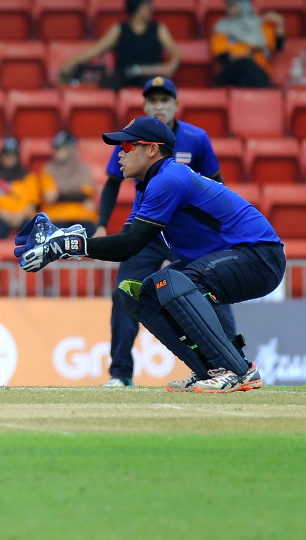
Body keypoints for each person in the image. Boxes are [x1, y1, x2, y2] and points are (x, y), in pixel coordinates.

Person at [15, 116, 285, 393]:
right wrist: (68, 246)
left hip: (259, 257)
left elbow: (130, 244)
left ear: (152, 150)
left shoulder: (169, 179)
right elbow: (125, 245)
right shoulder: (148, 186)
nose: (119, 153)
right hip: (237, 257)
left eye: (128, 147)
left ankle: (237, 369)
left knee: (174, 281)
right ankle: (209, 370)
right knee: (141, 295)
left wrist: (68, 245)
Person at [97, 76, 230, 387]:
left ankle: (233, 363)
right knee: (125, 293)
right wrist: (102, 222)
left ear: (176, 104)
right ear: (145, 105)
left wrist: (216, 229)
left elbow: (217, 185)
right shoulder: (135, 137)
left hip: (187, 233)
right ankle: (120, 374)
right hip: (147, 231)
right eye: (152, 100)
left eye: (164, 100)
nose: (158, 105)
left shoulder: (197, 139)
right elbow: (112, 182)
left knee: (213, 292)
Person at [59, 0, 180, 91]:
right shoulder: (120, 29)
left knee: (157, 88)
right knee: (106, 86)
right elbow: (96, 49)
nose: (151, 9)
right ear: (137, 8)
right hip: (125, 74)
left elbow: (175, 52)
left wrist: (171, 65)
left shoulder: (158, 28)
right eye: (147, 6)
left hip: (150, 73)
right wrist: (72, 62)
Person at [211, 0, 285, 88]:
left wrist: (280, 24)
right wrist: (247, 55)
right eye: (228, 5)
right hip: (231, 69)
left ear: (244, 6)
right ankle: (267, 93)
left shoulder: (260, 26)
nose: (229, 8)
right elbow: (222, 56)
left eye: (233, 5)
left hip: (258, 69)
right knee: (246, 63)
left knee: (246, 80)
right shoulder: (222, 27)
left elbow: (277, 46)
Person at [37, 131, 98, 237]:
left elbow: (86, 192)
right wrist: (79, 196)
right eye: (56, 148)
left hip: (83, 216)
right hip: (56, 215)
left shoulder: (83, 170)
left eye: (62, 148)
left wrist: (60, 194)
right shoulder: (48, 169)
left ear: (71, 149)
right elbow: (50, 197)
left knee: (92, 235)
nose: (57, 152)